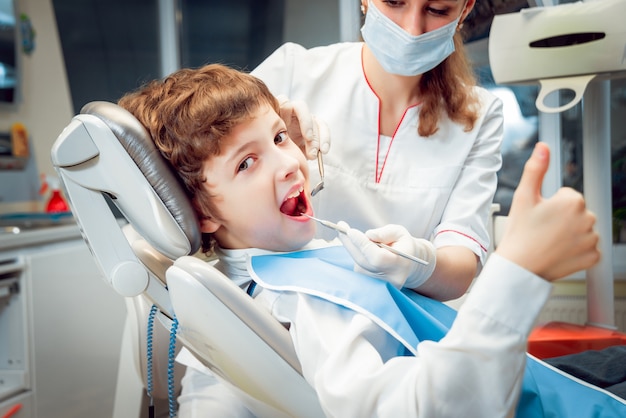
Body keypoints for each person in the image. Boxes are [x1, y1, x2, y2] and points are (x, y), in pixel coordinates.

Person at [118, 64, 626, 417]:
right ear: (200, 211)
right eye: (246, 163)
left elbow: (218, 394)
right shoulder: (306, 298)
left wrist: (419, 265)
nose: (290, 161)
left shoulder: (249, 285)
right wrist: (521, 270)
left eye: (278, 137)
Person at [251, 0, 498, 301]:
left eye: (436, 10)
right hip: (286, 310)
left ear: (465, 10)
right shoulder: (292, 71)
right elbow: (199, 172)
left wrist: (416, 264)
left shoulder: (480, 114)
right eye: (395, 2)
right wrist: (267, 145)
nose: (411, 30)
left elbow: (460, 262)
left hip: (394, 324)